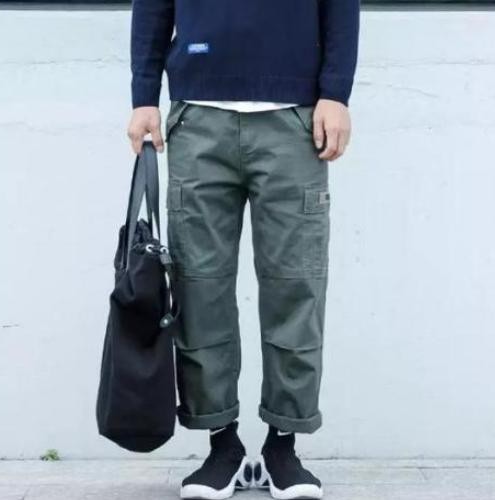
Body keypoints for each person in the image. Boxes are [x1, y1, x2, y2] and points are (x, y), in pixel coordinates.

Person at [127, 1, 359, 498]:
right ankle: (222, 443)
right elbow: (152, 5)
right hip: (198, 119)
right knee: (199, 290)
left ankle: (283, 445)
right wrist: (144, 96)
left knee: (296, 287)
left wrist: (335, 92)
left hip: (295, 120)